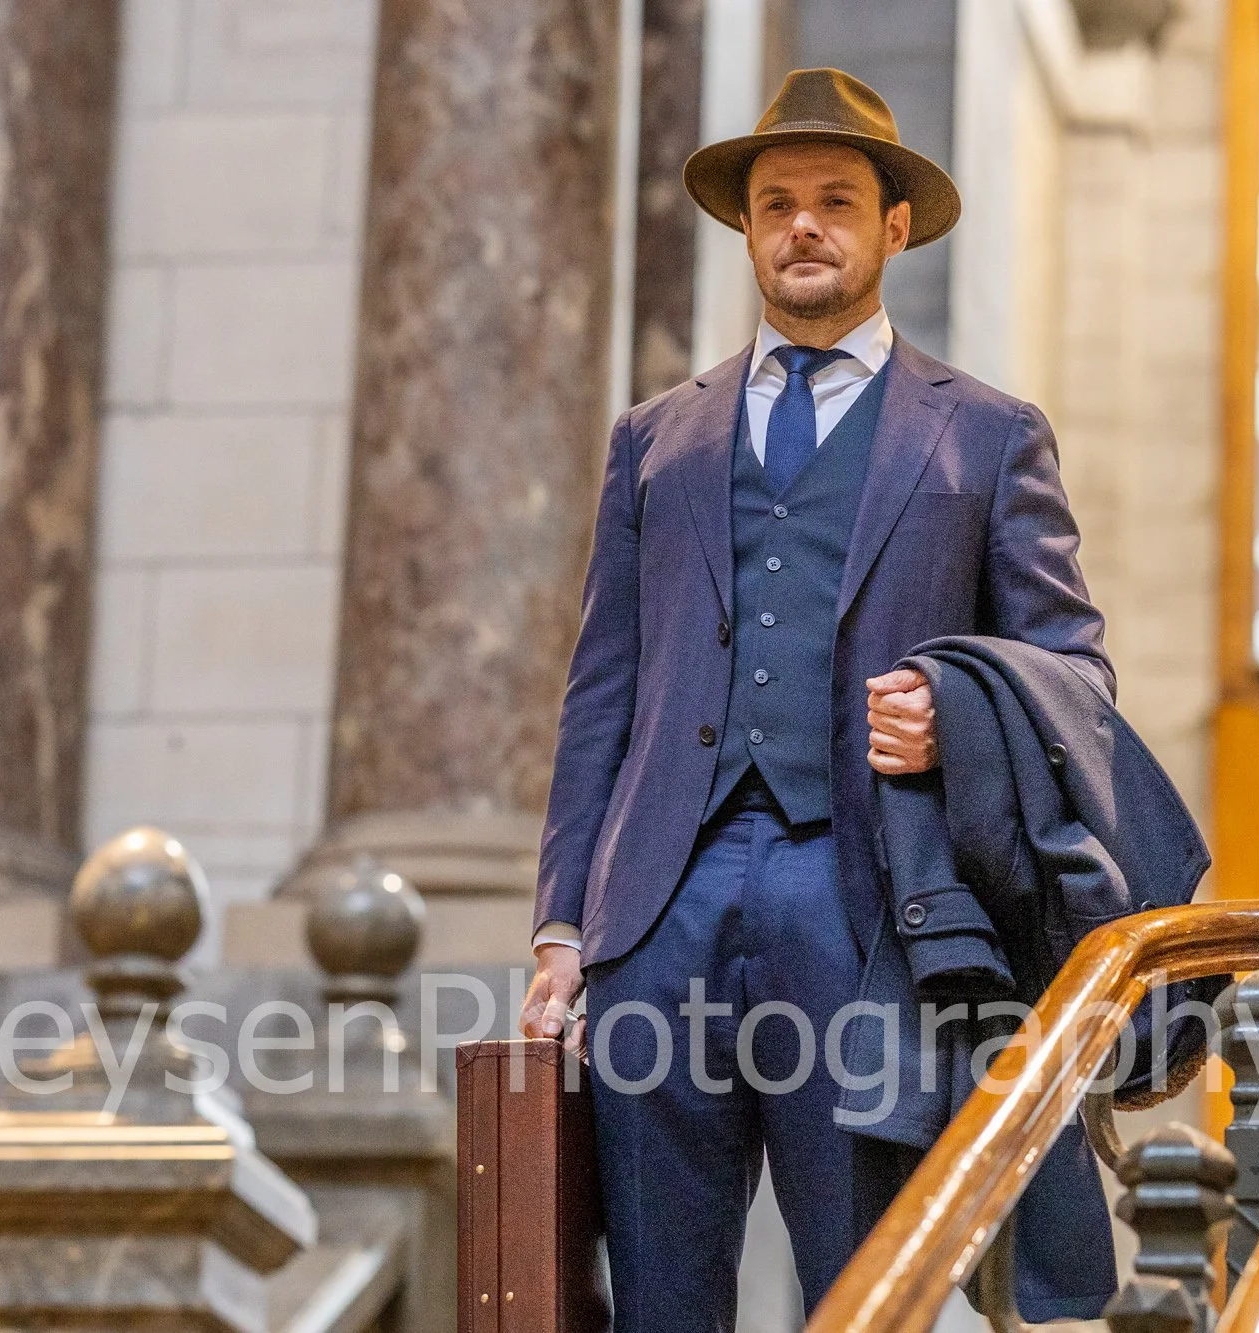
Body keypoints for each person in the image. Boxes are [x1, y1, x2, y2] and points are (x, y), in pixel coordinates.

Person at [517, 68, 1114, 1331]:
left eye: (834, 202)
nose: (802, 226)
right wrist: (562, 926)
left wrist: (960, 719)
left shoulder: (989, 436)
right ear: (746, 228)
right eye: (776, 203)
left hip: (864, 911)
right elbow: (601, 696)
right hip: (655, 915)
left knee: (862, 1290)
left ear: (892, 226)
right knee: (657, 1299)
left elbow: (1077, 677)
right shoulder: (653, 439)